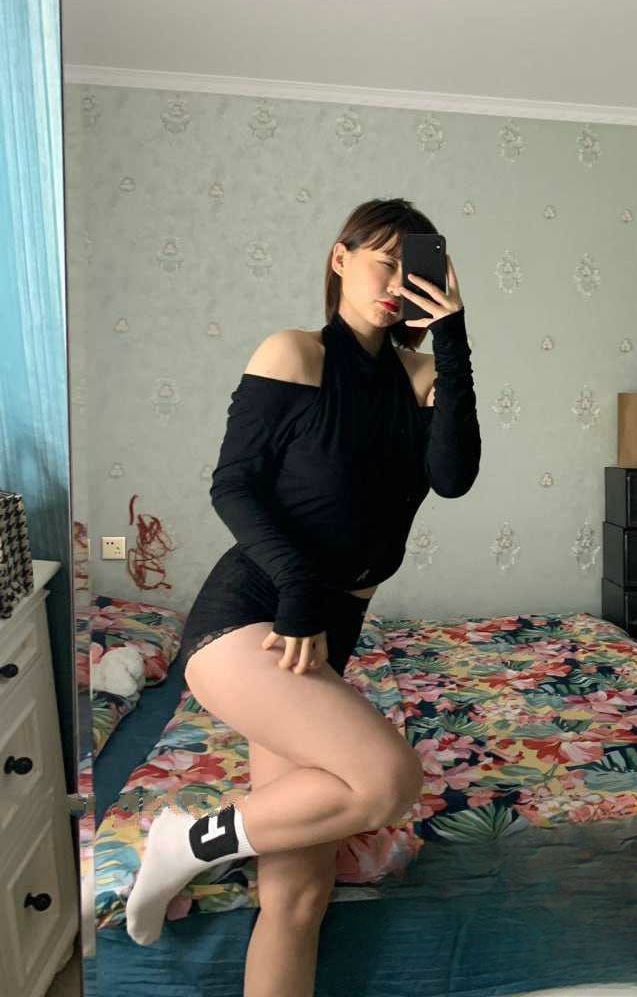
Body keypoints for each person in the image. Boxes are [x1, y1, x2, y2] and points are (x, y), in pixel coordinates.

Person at [124, 198, 481, 997]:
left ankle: (193, 845)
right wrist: (295, 588)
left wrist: (452, 335)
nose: (396, 282)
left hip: (327, 630)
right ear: (340, 258)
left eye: (413, 269)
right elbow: (233, 485)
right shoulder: (294, 354)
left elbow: (453, 478)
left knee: (298, 899)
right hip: (255, 616)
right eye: (383, 262)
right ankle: (185, 842)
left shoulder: (423, 376)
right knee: (389, 782)